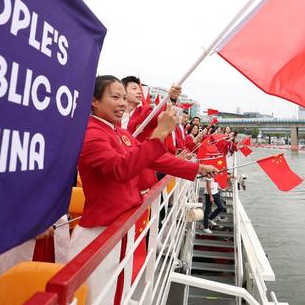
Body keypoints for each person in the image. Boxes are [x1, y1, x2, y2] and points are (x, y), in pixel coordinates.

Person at [70, 75, 218, 304]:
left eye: (122, 97)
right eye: (115, 96)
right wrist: (160, 133)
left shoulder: (119, 133)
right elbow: (120, 169)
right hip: (100, 234)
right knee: (98, 297)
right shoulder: (90, 134)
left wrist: (197, 168)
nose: (121, 103)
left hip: (121, 227)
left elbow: (156, 158)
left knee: (116, 292)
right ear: (94, 101)